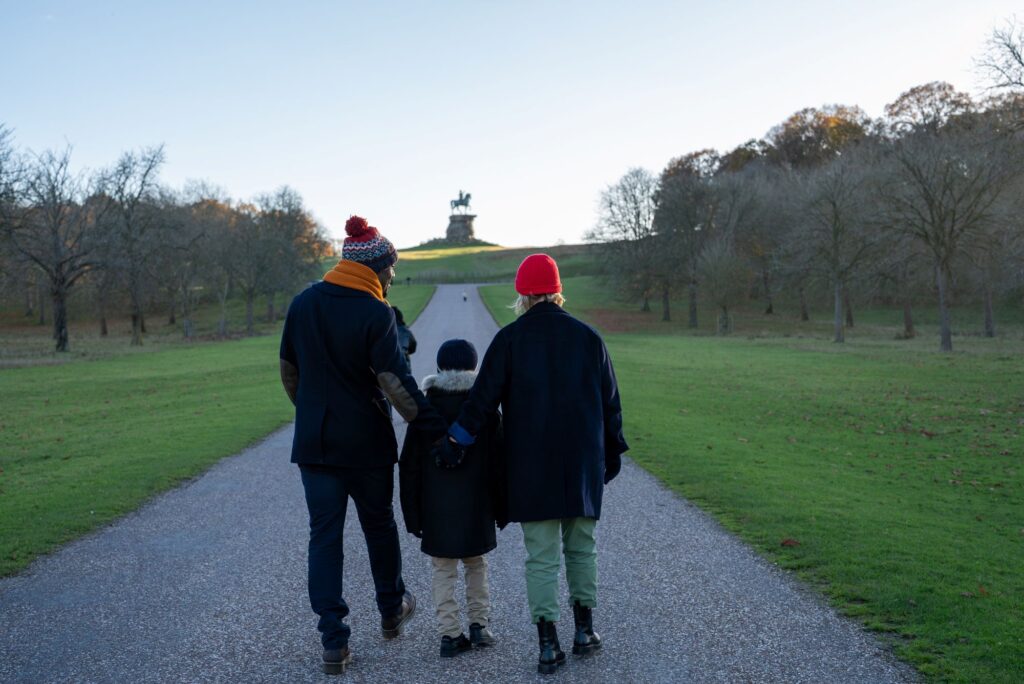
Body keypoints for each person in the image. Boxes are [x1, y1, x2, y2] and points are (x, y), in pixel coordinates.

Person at [437, 254, 628, 675]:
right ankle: (584, 632)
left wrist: (456, 440)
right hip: (580, 463)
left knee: (540, 558)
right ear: (558, 291)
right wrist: (612, 453)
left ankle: (547, 645)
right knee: (582, 549)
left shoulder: (509, 340)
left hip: (530, 465)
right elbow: (610, 405)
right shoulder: (588, 338)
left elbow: (481, 403)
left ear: (522, 294)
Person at [279, 215, 449, 675]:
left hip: (314, 445)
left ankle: (334, 641)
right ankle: (392, 609)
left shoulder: (303, 304)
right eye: (390, 269)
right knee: (379, 527)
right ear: (375, 268)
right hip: (366, 445)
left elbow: (289, 373)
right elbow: (396, 383)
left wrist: (313, 411)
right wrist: (437, 429)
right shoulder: (376, 314)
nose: (393, 277)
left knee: (325, 537)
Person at [398, 339, 505, 658]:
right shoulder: (484, 409)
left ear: (440, 368)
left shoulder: (424, 409)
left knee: (442, 569)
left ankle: (449, 633)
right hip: (477, 503)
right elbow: (499, 461)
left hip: (436, 506)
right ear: (474, 368)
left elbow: (410, 466)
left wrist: (412, 514)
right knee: (476, 564)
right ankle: (479, 624)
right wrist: (502, 507)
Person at [391, 306, 417, 371]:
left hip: (389, 371)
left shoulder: (385, 332)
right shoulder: (405, 331)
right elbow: (413, 347)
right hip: (405, 368)